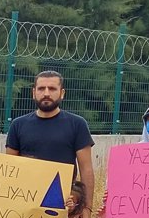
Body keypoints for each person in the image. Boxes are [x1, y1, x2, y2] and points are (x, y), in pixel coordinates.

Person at [6, 71, 95, 209]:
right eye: (41, 88)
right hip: (24, 207)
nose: (46, 93)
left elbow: (86, 170)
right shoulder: (18, 125)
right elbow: (9, 169)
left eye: (52, 88)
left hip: (63, 206)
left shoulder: (77, 124)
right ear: (33, 92)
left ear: (62, 93)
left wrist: (87, 208)